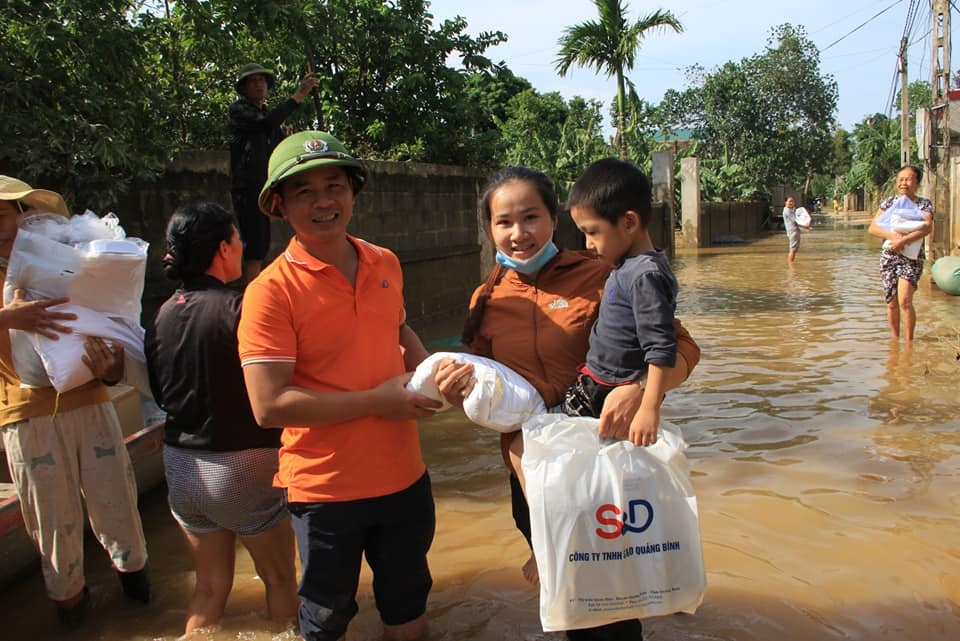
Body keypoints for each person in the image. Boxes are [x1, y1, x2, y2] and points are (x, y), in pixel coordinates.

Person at [432, 166, 700, 641]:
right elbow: (490, 390)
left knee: (611, 609)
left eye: (531, 217)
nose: (519, 234)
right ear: (488, 228)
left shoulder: (607, 273)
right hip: (535, 476)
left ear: (555, 218)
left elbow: (683, 349)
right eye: (504, 222)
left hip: (603, 464)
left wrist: (639, 390)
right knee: (572, 602)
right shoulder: (485, 300)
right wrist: (459, 395)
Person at [237, 130, 442, 641]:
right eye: (304, 192)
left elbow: (398, 329)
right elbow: (269, 405)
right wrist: (380, 402)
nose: (324, 201)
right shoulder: (269, 293)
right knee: (326, 619)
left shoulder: (384, 262)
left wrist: (436, 377)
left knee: (408, 605)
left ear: (353, 191)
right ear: (280, 206)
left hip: (404, 478)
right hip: (326, 491)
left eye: (335, 185)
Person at [0, 175, 149, 625]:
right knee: (54, 528)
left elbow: (111, 320)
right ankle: (72, 615)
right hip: (26, 416)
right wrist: (11, 316)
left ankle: (145, 609)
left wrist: (112, 369)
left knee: (119, 511)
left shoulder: (65, 260)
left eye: (4, 210)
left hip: (91, 403)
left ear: (25, 214)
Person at [143, 201, 298, 635]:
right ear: (225, 248)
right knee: (281, 580)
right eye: (239, 238)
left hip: (181, 468)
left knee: (209, 589)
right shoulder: (242, 309)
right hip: (242, 465)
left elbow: (160, 392)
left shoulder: (161, 314)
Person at [229, 62, 319, 283]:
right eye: (253, 81)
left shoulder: (266, 115)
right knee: (255, 242)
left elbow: (279, 142)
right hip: (248, 185)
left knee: (270, 237)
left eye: (262, 80)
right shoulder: (240, 111)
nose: (259, 85)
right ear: (244, 87)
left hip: (268, 183)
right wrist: (298, 95)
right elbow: (265, 124)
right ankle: (252, 291)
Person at [867, 165, 934, 342]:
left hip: (912, 258)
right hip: (889, 256)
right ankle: (896, 341)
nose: (904, 183)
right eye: (901, 179)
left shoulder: (923, 204)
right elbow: (873, 228)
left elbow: (927, 227)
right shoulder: (889, 203)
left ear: (917, 182)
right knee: (891, 302)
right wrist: (892, 236)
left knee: (905, 300)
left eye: (908, 179)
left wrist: (903, 241)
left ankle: (909, 342)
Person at [782, 196, 809, 263]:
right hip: (793, 231)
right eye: (789, 201)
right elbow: (795, 221)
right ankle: (791, 265)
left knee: (794, 249)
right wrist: (805, 227)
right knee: (793, 249)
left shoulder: (790, 210)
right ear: (785, 202)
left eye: (792, 201)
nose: (791, 203)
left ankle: (791, 263)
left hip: (794, 231)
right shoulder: (787, 211)